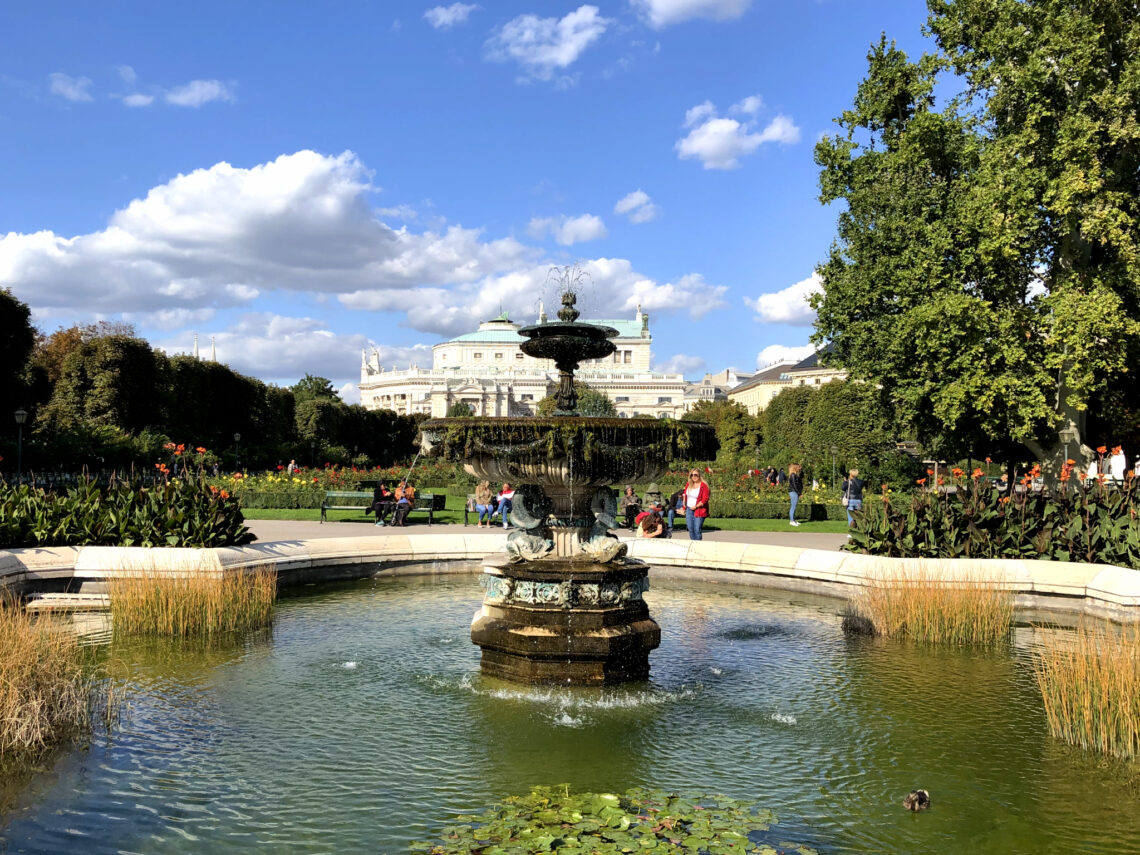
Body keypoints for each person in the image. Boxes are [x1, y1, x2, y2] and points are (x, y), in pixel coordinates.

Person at [684, 468, 710, 540]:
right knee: (690, 529)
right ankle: (693, 544)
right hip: (689, 509)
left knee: (697, 529)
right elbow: (685, 495)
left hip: (699, 510)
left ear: (699, 475)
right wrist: (684, 507)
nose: (693, 477)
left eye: (695, 475)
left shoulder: (703, 486)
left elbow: (705, 499)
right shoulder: (689, 484)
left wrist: (696, 506)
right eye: (691, 475)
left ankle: (698, 546)